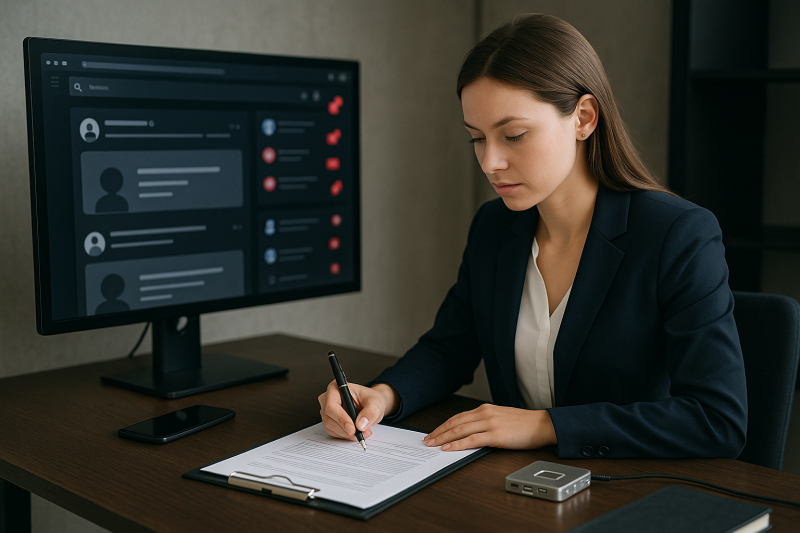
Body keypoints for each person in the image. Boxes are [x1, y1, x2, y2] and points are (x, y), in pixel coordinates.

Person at [318, 14, 747, 459]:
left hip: (629, 491)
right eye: (477, 139)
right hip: (517, 489)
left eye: (514, 135)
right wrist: (383, 395)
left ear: (583, 117)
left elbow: (717, 419)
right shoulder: (494, 227)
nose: (490, 162)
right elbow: (450, 348)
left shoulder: (677, 234)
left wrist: (546, 426)